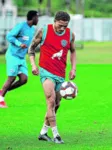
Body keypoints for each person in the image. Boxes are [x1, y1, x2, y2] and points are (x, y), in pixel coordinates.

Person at [28, 11, 76, 144]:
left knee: (56, 104)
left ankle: (43, 132)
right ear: (54, 21)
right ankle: (56, 135)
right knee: (50, 101)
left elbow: (73, 51)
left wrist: (73, 68)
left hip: (61, 74)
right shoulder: (44, 31)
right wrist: (33, 65)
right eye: (60, 25)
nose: (62, 28)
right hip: (46, 72)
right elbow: (31, 48)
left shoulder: (70, 35)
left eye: (64, 26)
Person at [0, 10, 39, 108]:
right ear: (33, 18)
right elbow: (9, 36)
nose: (38, 20)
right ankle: (0, 101)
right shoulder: (21, 26)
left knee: (24, 79)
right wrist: (19, 44)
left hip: (21, 58)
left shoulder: (32, 29)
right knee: (11, 78)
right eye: (37, 17)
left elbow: (29, 43)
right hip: (13, 56)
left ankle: (2, 91)